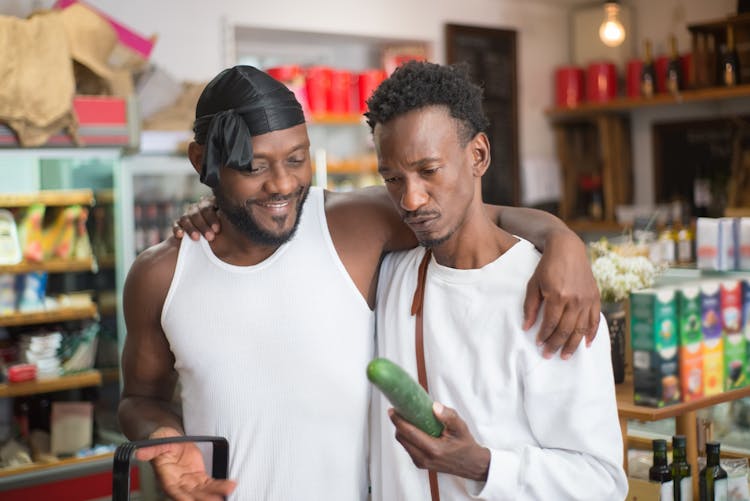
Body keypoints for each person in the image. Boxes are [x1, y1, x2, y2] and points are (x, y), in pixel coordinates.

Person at [119, 65, 601, 501]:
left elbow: (471, 214)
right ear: (202, 160)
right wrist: (166, 438)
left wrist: (562, 239)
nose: (283, 185)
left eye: (296, 159)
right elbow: (140, 399)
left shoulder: (352, 228)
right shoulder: (161, 276)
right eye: (254, 167)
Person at [366, 61, 627, 500]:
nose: (410, 199)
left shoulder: (552, 295)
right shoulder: (390, 272)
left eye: (429, 170)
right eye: (393, 178)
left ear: (478, 156)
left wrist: (482, 465)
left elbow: (601, 483)